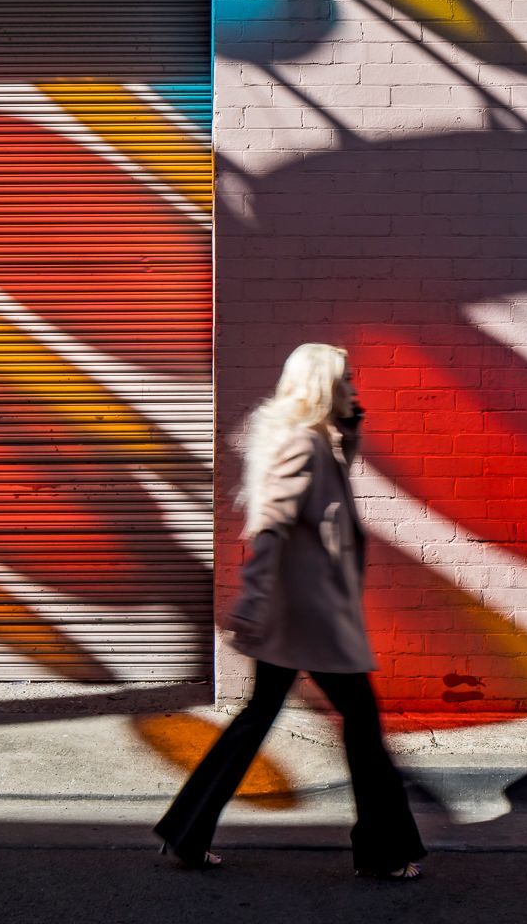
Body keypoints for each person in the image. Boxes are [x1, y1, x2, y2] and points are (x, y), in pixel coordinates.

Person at [154, 342, 426, 880]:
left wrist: (349, 425)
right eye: (346, 380)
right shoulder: (303, 446)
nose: (354, 388)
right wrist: (252, 604)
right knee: (364, 728)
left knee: (258, 717)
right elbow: (270, 528)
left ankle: (186, 834)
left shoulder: (314, 443)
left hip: (298, 615)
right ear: (325, 386)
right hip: (309, 617)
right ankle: (383, 852)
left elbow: (330, 479)